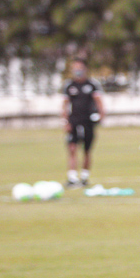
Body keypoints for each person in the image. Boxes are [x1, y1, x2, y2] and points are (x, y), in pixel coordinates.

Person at [62, 58, 105, 187]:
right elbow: (64, 105)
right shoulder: (69, 85)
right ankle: (72, 178)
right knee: (72, 148)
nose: (77, 70)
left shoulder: (92, 84)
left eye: (80, 68)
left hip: (88, 122)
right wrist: (65, 121)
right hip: (74, 121)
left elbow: (99, 101)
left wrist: (101, 116)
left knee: (86, 150)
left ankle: (85, 177)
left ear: (85, 69)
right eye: (75, 68)